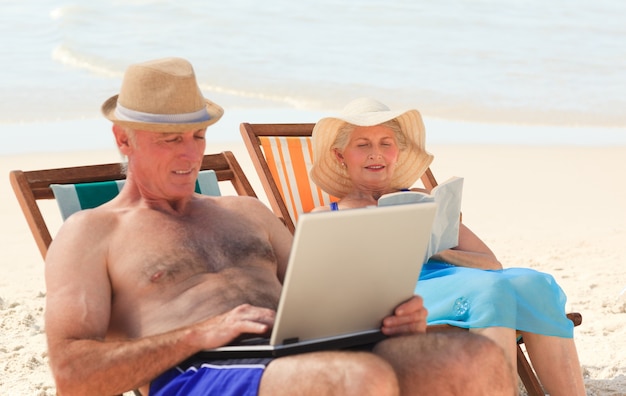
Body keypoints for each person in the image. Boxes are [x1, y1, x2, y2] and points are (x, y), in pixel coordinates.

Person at [43, 58, 516, 396]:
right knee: (356, 380)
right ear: (123, 138)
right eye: (171, 140)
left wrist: (390, 319)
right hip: (199, 371)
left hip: (299, 352)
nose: (190, 154)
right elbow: (73, 376)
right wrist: (196, 335)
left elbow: (327, 294)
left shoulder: (246, 211)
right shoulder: (92, 233)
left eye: (198, 135)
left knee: (471, 357)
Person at [309, 97, 586, 396]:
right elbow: (317, 291)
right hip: (397, 299)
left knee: (537, 283)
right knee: (492, 291)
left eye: (386, 143)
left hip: (455, 280)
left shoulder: (424, 201)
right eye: (362, 144)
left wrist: (435, 250)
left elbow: (491, 264)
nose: (376, 154)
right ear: (340, 155)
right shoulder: (326, 217)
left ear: (397, 153)